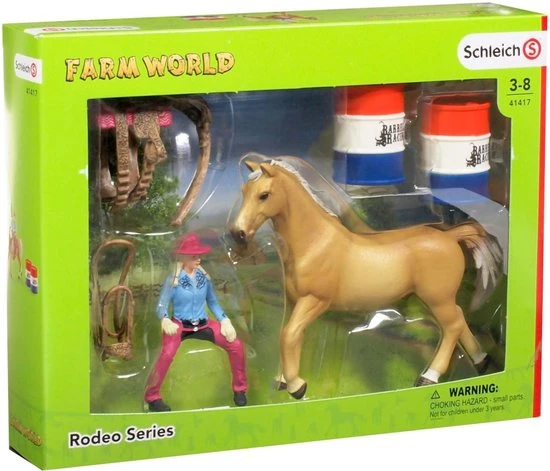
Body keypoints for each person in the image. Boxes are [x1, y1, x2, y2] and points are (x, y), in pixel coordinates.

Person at [144, 233, 248, 412]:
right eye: (194, 256)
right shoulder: (174, 280)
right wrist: (165, 318)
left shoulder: (204, 279)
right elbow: (162, 304)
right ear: (183, 257)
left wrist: (224, 319)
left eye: (199, 255)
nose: (198, 259)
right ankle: (152, 396)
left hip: (203, 324)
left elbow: (213, 302)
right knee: (166, 354)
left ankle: (240, 389)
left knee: (236, 345)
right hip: (180, 325)